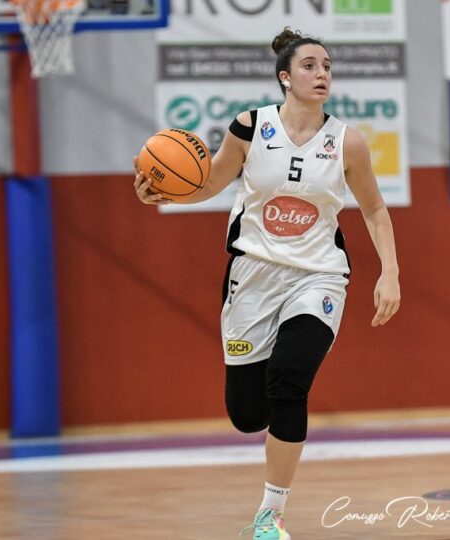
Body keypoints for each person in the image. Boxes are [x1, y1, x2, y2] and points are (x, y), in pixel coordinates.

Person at [133, 27, 401, 540]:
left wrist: (390, 272)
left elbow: (373, 208)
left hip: (319, 276)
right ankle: (262, 465)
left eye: (327, 66)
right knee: (248, 414)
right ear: (284, 77)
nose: (322, 74)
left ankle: (269, 516)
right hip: (253, 275)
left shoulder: (347, 141)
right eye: (310, 66)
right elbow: (208, 183)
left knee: (289, 381)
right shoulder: (251, 127)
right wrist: (162, 193)